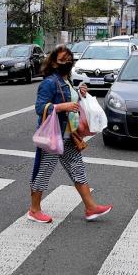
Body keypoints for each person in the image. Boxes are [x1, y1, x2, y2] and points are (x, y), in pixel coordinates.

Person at [28, 44, 112, 223]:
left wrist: (79, 94)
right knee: (44, 172)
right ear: (54, 63)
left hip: (69, 136)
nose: (66, 62)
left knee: (78, 169)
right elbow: (39, 108)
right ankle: (34, 210)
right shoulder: (50, 82)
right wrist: (60, 107)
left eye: (69, 59)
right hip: (53, 136)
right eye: (62, 60)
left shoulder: (67, 80)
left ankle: (90, 207)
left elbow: (71, 101)